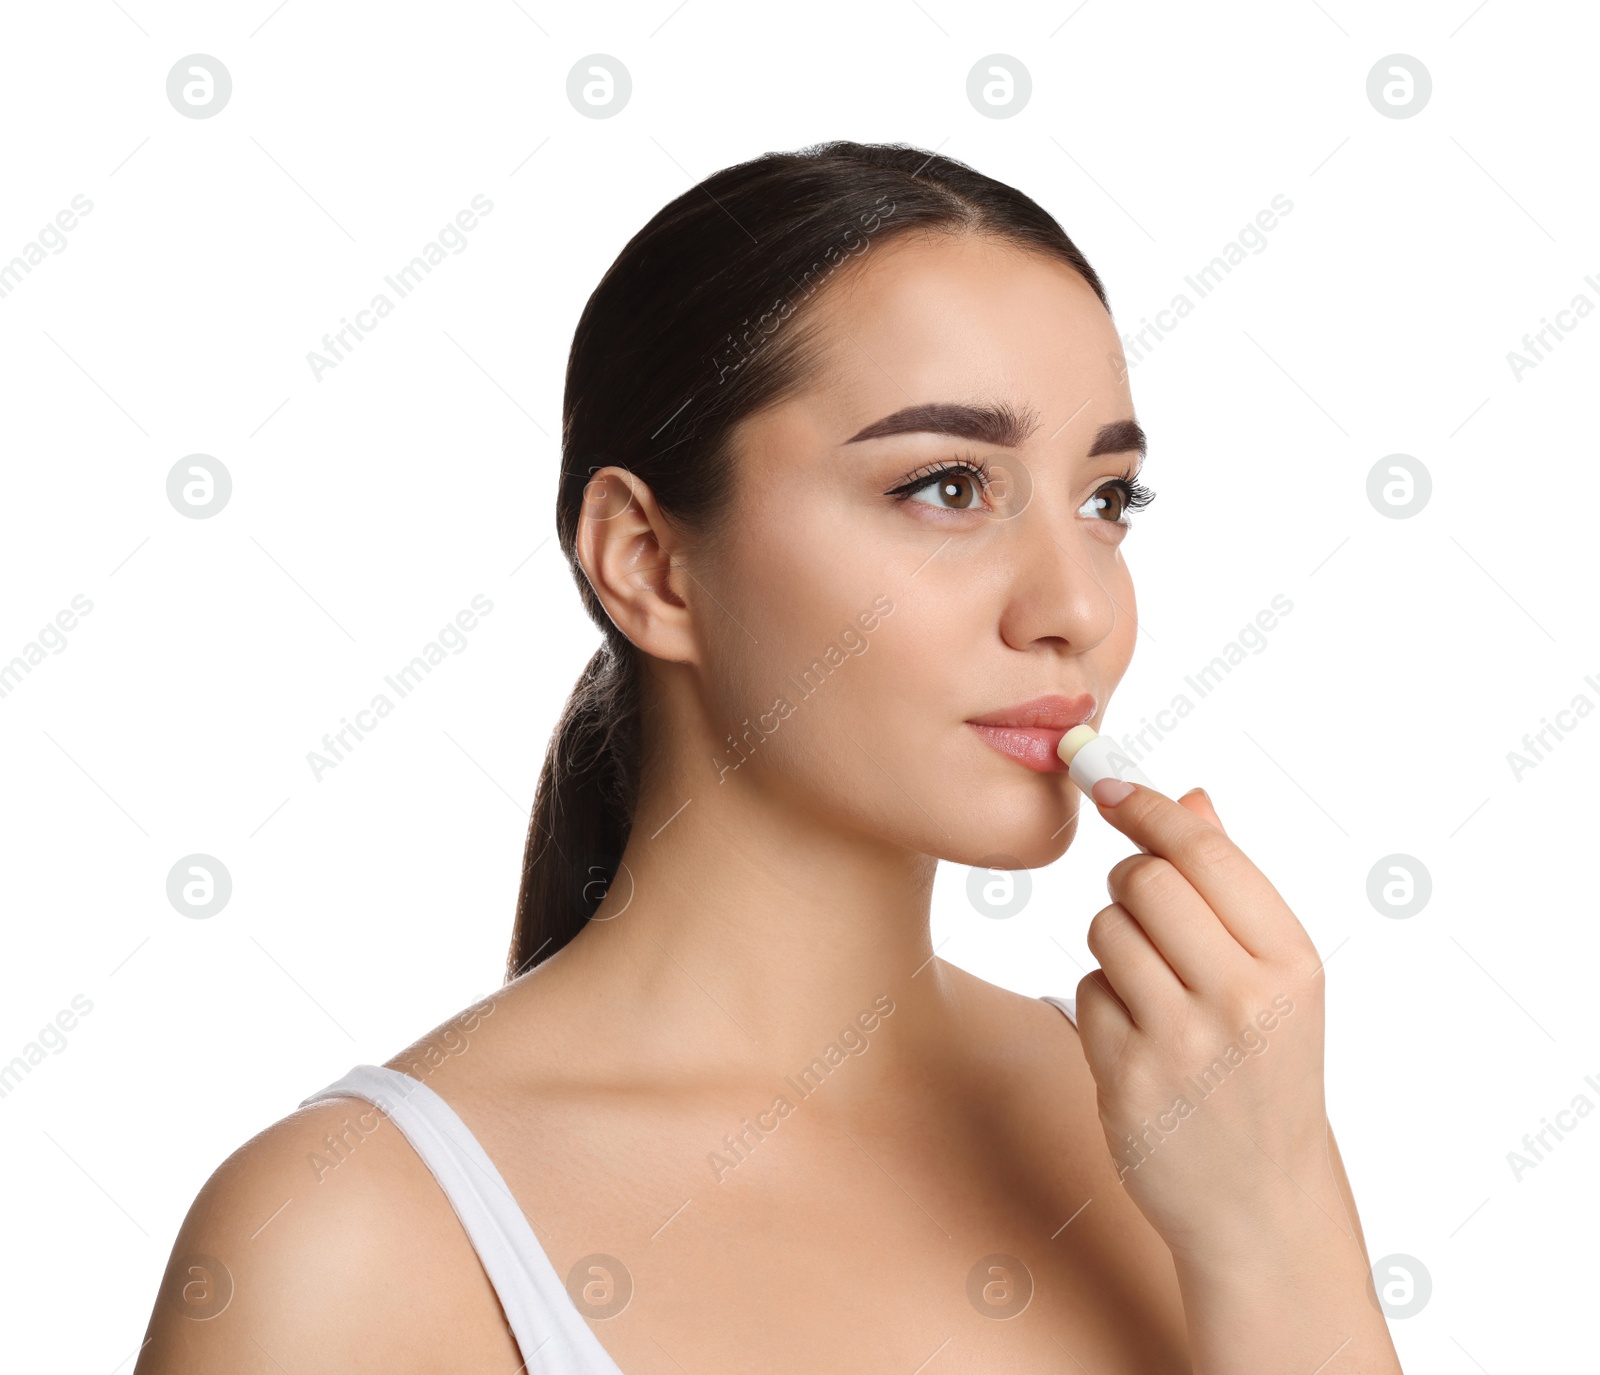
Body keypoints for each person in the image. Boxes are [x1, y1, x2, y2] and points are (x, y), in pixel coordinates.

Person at [136, 141, 1401, 1373]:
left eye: (1105, 499)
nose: (1075, 605)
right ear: (647, 560)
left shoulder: (1200, 1131)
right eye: (948, 487)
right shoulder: (347, 1241)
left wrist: (1278, 1226)